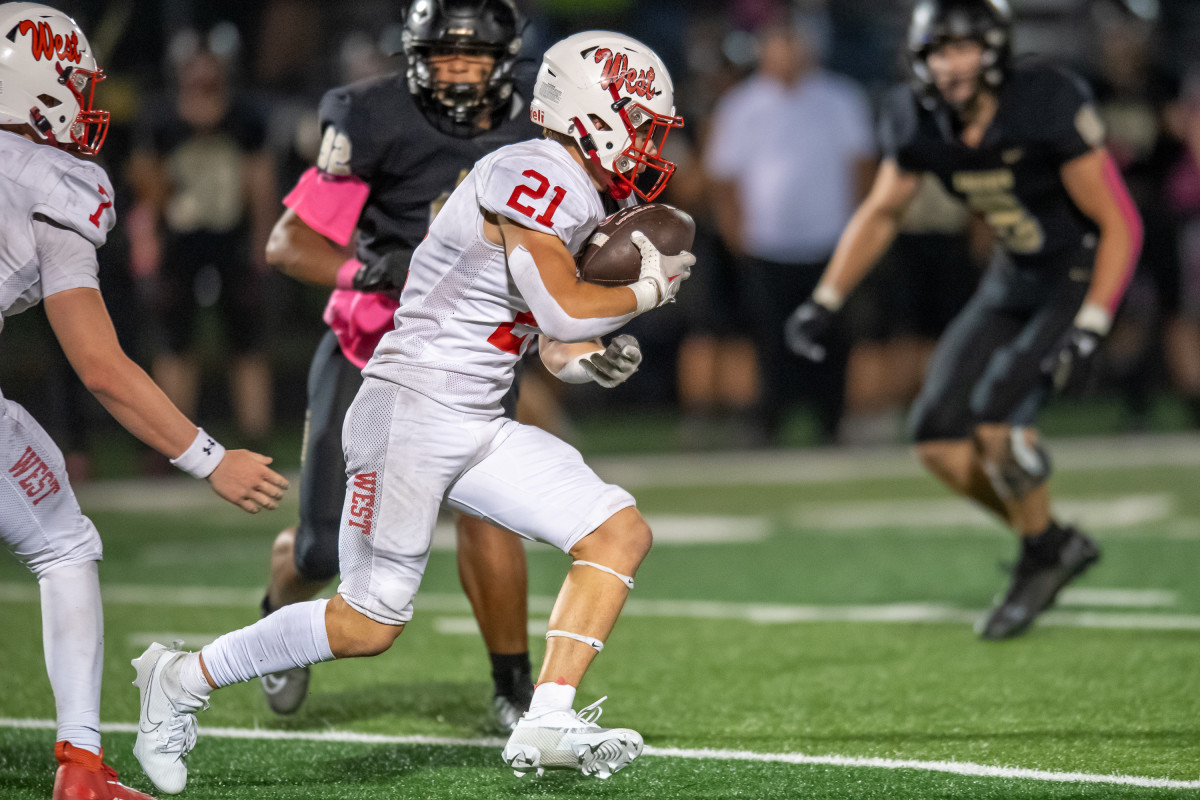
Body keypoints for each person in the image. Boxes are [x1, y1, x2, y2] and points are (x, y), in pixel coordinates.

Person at [129, 29, 690, 792]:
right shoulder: (532, 170)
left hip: (477, 417)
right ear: (595, 114)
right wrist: (644, 293)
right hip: (409, 409)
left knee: (618, 531)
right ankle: (180, 677)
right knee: (367, 624)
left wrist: (594, 356)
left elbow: (552, 339)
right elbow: (562, 306)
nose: (648, 143)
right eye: (641, 122)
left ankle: (547, 715)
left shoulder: (581, 193)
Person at [0, 5, 289, 800]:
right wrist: (210, 457)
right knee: (62, 545)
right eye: (72, 85)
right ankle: (82, 771)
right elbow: (99, 365)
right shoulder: (49, 182)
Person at [784, 0, 1142, 640]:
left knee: (997, 425)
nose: (951, 65)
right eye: (939, 51)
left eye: (964, 48)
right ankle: (1049, 541)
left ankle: (1040, 555)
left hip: (1076, 273)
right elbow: (883, 211)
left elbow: (1119, 221)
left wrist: (1092, 323)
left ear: (996, 49)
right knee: (938, 440)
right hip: (1013, 276)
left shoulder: (1044, 100)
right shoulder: (917, 117)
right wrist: (826, 299)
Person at [255, 0, 563, 732]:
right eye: (445, 58)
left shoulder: (538, 129)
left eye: (474, 60)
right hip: (372, 347)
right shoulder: (370, 114)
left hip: (468, 357)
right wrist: (365, 271)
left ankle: (512, 685)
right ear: (415, 56)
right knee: (324, 548)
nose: (458, 75)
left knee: (490, 512)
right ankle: (279, 605)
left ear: (507, 60)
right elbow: (288, 243)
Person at [705, 20, 875, 445]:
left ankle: (831, 422)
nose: (787, 55)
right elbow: (722, 177)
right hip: (766, 244)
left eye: (794, 45)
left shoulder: (841, 98)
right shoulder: (741, 106)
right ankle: (769, 422)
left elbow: (864, 167)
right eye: (779, 46)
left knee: (831, 336)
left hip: (830, 242)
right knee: (768, 337)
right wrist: (736, 235)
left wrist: (860, 229)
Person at [128, 42, 277, 451]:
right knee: (175, 343)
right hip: (180, 242)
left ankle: (255, 436)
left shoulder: (245, 116)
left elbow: (259, 182)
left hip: (232, 240)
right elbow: (146, 183)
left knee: (247, 343)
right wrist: (148, 239)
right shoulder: (161, 118)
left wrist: (262, 242)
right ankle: (172, 443)